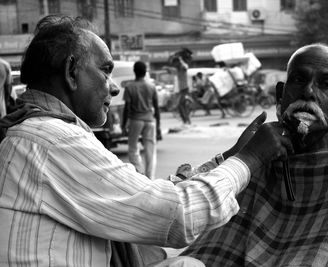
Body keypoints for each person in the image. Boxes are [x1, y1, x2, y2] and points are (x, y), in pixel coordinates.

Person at [0, 15, 289, 267]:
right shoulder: (53, 140)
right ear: (71, 71)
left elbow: (143, 194)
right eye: (105, 70)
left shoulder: (33, 132)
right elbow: (179, 215)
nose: (113, 88)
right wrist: (250, 159)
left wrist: (226, 160)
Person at [180, 43, 328, 266]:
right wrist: (237, 155)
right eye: (298, 80)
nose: (308, 92)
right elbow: (182, 209)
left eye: (326, 84)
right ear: (280, 94)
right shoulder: (255, 156)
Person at [122, 61, 160, 180]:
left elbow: (127, 108)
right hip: (150, 121)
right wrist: (158, 126)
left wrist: (124, 125)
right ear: (145, 72)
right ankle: (150, 177)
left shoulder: (129, 87)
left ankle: (139, 173)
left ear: (135, 72)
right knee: (150, 150)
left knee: (133, 148)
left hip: (135, 120)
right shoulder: (151, 86)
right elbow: (157, 107)